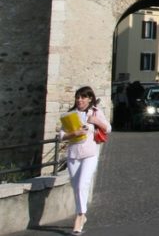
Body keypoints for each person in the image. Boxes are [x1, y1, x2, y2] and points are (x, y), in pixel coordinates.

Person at [57, 86, 111, 235]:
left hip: (90, 153)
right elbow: (61, 135)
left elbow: (108, 128)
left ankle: (79, 216)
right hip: (73, 154)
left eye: (83, 97)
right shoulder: (70, 115)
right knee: (76, 187)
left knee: (82, 185)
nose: (79, 100)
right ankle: (83, 214)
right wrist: (74, 133)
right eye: (78, 97)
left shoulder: (95, 112)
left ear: (89, 98)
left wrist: (96, 121)